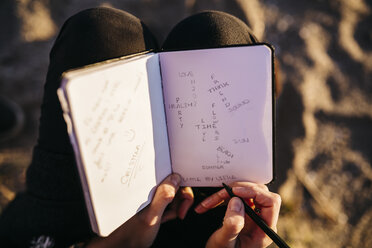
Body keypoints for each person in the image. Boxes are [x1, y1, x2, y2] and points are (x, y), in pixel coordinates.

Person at [0, 7, 281, 248]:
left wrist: (118, 244)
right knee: (215, 36)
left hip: (74, 233)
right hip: (202, 227)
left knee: (99, 33)